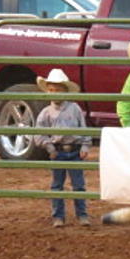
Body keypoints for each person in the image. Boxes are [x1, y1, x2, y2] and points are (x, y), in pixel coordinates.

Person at [35, 68, 91, 227]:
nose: (54, 93)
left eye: (58, 90)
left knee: (78, 185)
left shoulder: (75, 109)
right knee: (57, 185)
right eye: (51, 90)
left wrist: (85, 145)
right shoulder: (46, 113)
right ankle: (58, 216)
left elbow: (84, 128)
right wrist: (49, 148)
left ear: (65, 91)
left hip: (74, 150)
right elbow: (38, 134)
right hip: (57, 151)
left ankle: (82, 215)